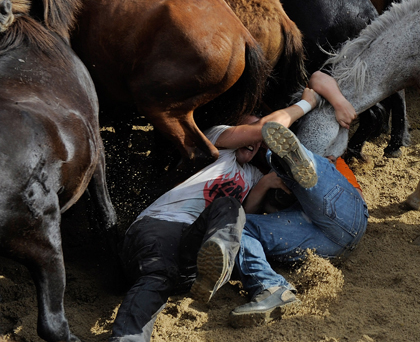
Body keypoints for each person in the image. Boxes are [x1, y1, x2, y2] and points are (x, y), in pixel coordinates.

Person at [109, 71, 351, 342]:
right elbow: (267, 129)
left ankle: (217, 262)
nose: (257, 140)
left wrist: (266, 184)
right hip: (160, 227)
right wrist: (306, 104)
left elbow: (244, 221)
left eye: (259, 143)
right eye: (252, 125)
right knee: (158, 273)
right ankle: (127, 338)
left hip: (191, 258)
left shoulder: (253, 176)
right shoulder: (215, 140)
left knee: (228, 216)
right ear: (235, 125)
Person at [227, 74, 367, 327]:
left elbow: (318, 77)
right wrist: (265, 183)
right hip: (318, 242)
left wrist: (338, 101)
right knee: (241, 228)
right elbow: (248, 213)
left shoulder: (332, 159)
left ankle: (299, 163)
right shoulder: (255, 174)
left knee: (310, 164)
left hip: (346, 213)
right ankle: (271, 288)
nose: (255, 139)